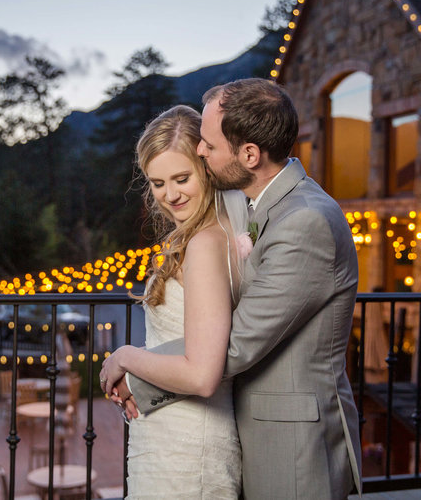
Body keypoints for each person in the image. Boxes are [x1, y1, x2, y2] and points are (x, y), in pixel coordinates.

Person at [102, 78, 363, 499]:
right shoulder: (266, 211)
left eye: (208, 144)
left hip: (293, 445)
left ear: (249, 154)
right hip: (248, 428)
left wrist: (132, 367)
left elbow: (235, 343)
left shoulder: (305, 221)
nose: (202, 152)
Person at [100, 104, 243, 498]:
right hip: (170, 436)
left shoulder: (205, 244)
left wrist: (125, 357)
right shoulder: (215, 234)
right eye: (158, 182)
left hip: (186, 453)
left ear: (206, 169)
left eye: (182, 178)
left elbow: (202, 374)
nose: (170, 194)